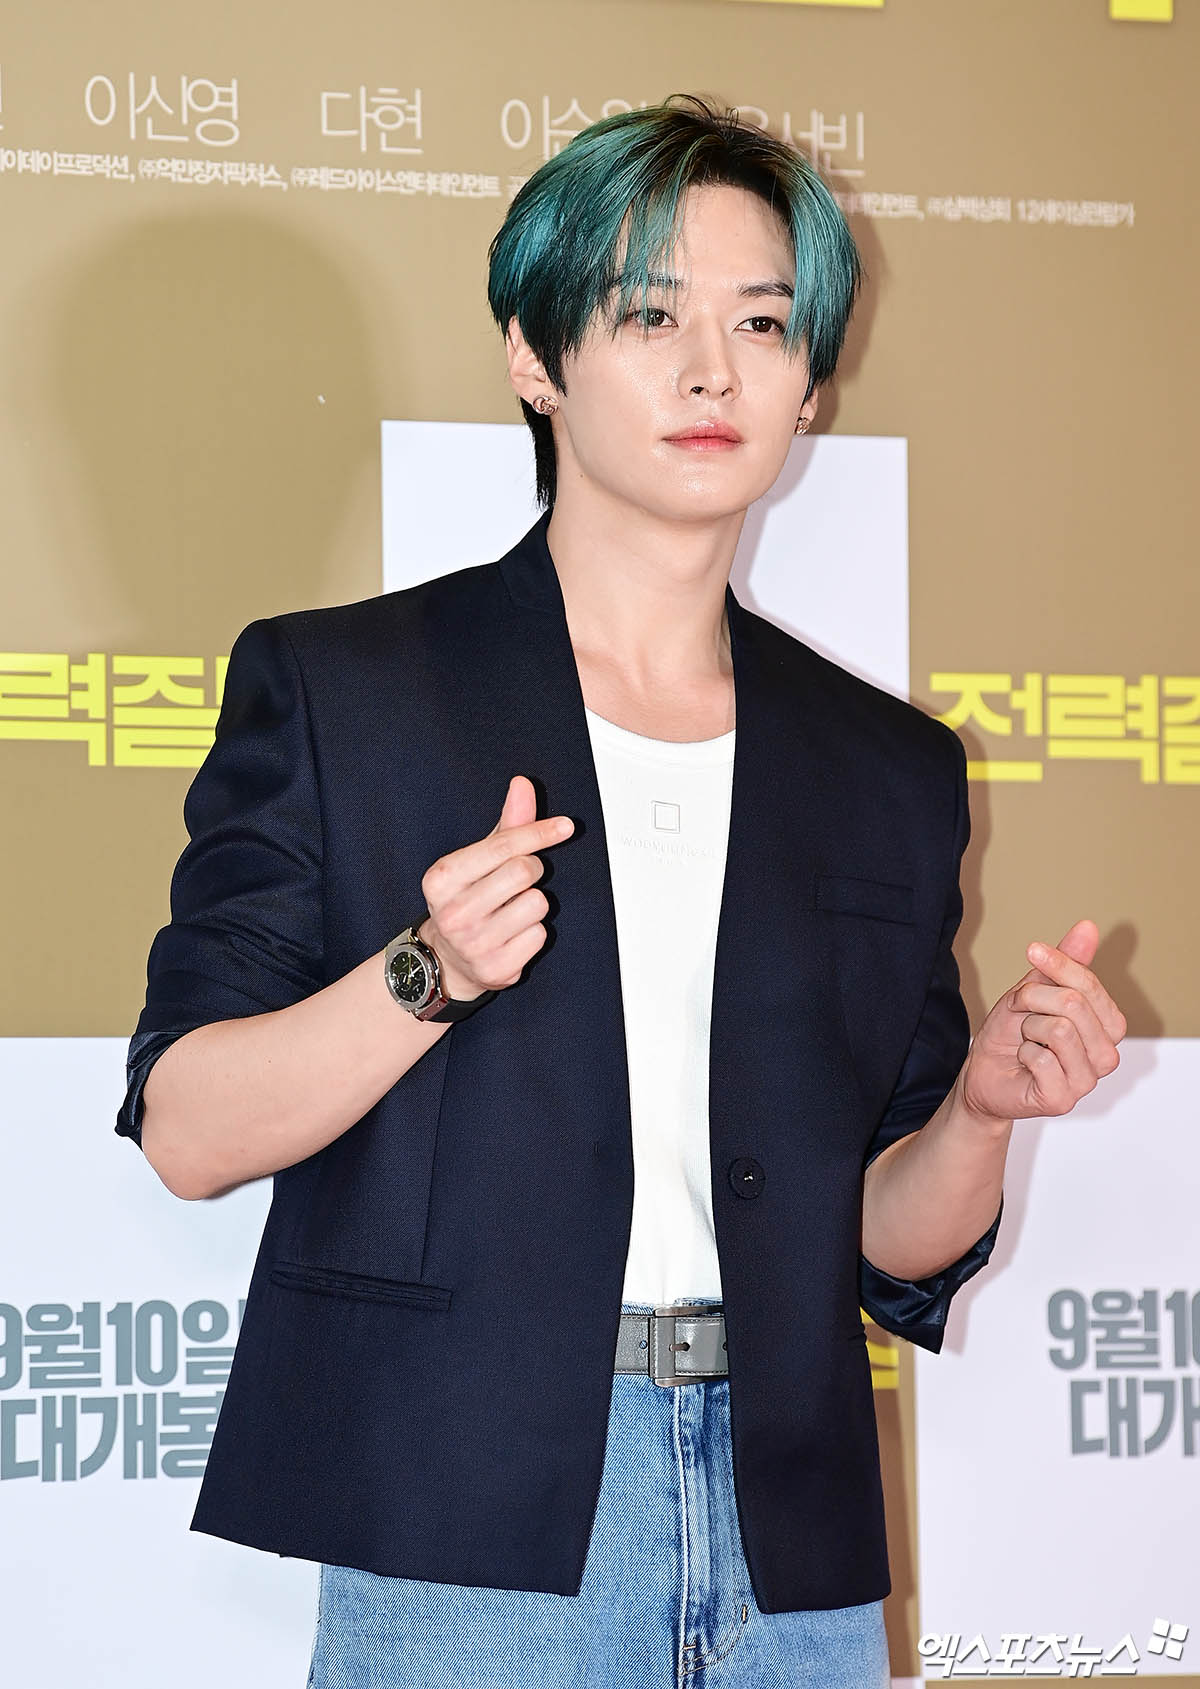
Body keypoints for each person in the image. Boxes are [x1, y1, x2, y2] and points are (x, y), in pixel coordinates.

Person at [116, 93, 1127, 1688]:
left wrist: (984, 1111)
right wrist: (426, 971)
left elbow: (887, 1240)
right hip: (467, 1532)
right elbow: (186, 1126)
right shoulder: (348, 694)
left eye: (762, 323)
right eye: (651, 315)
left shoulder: (887, 767)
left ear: (811, 379)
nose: (713, 370)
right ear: (536, 355)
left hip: (792, 1543)